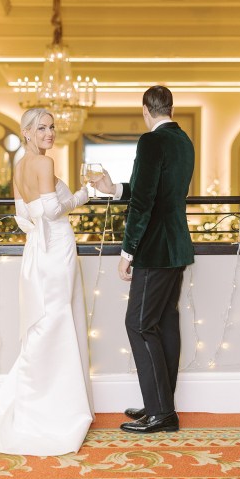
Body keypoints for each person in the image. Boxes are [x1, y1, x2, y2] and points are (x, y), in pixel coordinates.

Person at [0, 108, 94, 455]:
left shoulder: (18, 167)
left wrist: (41, 229)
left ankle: (37, 402)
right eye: (42, 128)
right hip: (57, 246)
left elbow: (23, 218)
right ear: (27, 133)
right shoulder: (44, 165)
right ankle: (57, 411)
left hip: (36, 250)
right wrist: (84, 194)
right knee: (57, 319)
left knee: (45, 322)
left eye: (52, 127)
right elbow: (52, 210)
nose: (50, 133)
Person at [94, 85, 194, 434]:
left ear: (145, 110)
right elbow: (150, 189)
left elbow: (144, 203)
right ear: (169, 107)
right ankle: (161, 404)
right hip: (177, 246)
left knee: (138, 324)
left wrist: (127, 252)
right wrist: (114, 189)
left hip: (154, 248)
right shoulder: (183, 140)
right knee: (164, 323)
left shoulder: (150, 141)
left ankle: (162, 412)